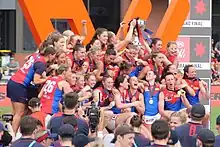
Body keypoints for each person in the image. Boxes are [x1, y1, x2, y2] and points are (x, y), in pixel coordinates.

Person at [7, 46, 56, 134]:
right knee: (19, 113)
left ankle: (16, 132)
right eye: (54, 56)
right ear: (50, 55)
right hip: (19, 84)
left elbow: (27, 59)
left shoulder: (36, 55)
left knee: (20, 112)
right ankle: (12, 136)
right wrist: (48, 79)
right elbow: (36, 80)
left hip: (14, 81)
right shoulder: (41, 64)